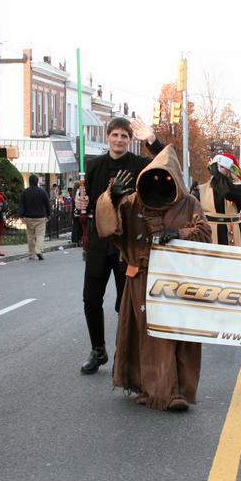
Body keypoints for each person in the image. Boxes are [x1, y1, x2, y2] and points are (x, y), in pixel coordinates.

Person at [95, 145, 211, 411]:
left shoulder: (189, 203)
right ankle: (157, 390)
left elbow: (204, 233)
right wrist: (110, 197)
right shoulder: (133, 202)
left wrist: (179, 234)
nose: (159, 183)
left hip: (178, 281)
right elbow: (108, 228)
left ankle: (176, 389)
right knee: (149, 336)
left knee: (178, 336)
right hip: (142, 280)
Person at [75, 117, 163, 375]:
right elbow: (86, 202)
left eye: (124, 136)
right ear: (108, 137)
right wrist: (80, 204)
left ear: (129, 139)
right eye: (115, 135)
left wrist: (151, 138)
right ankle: (98, 350)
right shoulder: (93, 166)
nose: (119, 140)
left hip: (128, 244)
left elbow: (167, 161)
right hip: (100, 241)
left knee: (126, 302)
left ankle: (124, 355)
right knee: (90, 298)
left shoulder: (139, 165)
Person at [197, 152, 241, 246]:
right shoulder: (200, 189)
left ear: (229, 171)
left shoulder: (237, 189)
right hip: (211, 235)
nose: (218, 169)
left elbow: (226, 191)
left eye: (222, 167)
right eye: (216, 167)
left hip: (231, 236)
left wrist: (216, 172)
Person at [17, 174, 50, 261]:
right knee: (40, 235)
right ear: (37, 181)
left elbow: (21, 205)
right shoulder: (42, 192)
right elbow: (47, 204)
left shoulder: (25, 192)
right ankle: (38, 250)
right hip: (40, 217)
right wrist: (48, 214)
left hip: (29, 217)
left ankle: (32, 254)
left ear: (29, 182)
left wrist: (21, 215)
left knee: (30, 236)